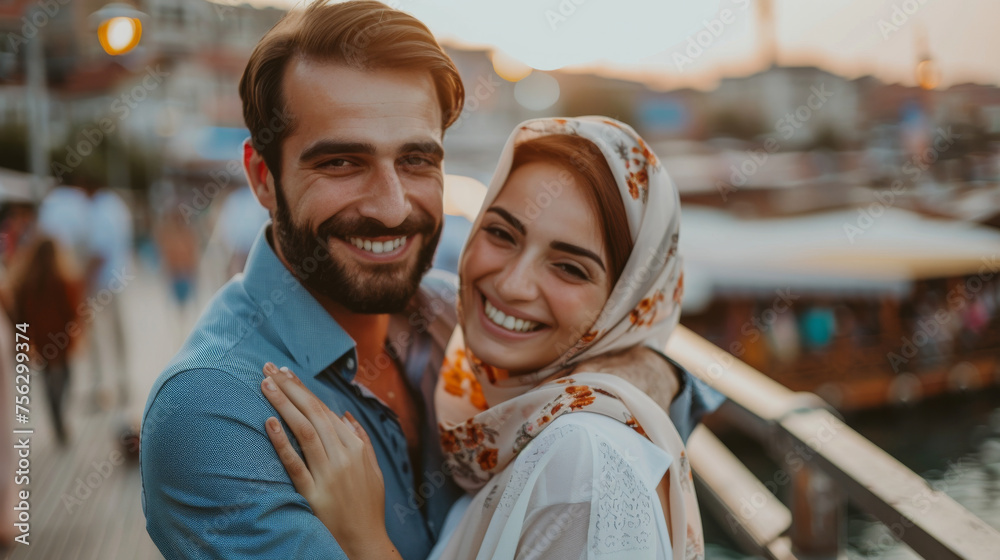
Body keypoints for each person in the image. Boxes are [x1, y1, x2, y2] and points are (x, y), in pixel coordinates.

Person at [140, 3, 721, 559]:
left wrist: (616, 381)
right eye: (342, 162)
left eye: (417, 161)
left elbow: (675, 389)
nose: (392, 209)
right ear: (263, 178)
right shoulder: (214, 411)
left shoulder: (454, 315)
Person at [259, 116, 709, 559]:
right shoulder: (497, 405)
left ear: (624, 306)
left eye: (570, 268)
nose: (512, 285)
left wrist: (365, 542)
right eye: (501, 233)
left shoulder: (586, 467)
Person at [1, 235, 84, 444]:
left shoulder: (25, 284)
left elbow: (19, 315)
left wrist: (24, 340)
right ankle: (59, 413)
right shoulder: (65, 280)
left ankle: (56, 414)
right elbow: (74, 312)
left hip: (42, 341)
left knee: (49, 380)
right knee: (65, 376)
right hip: (60, 340)